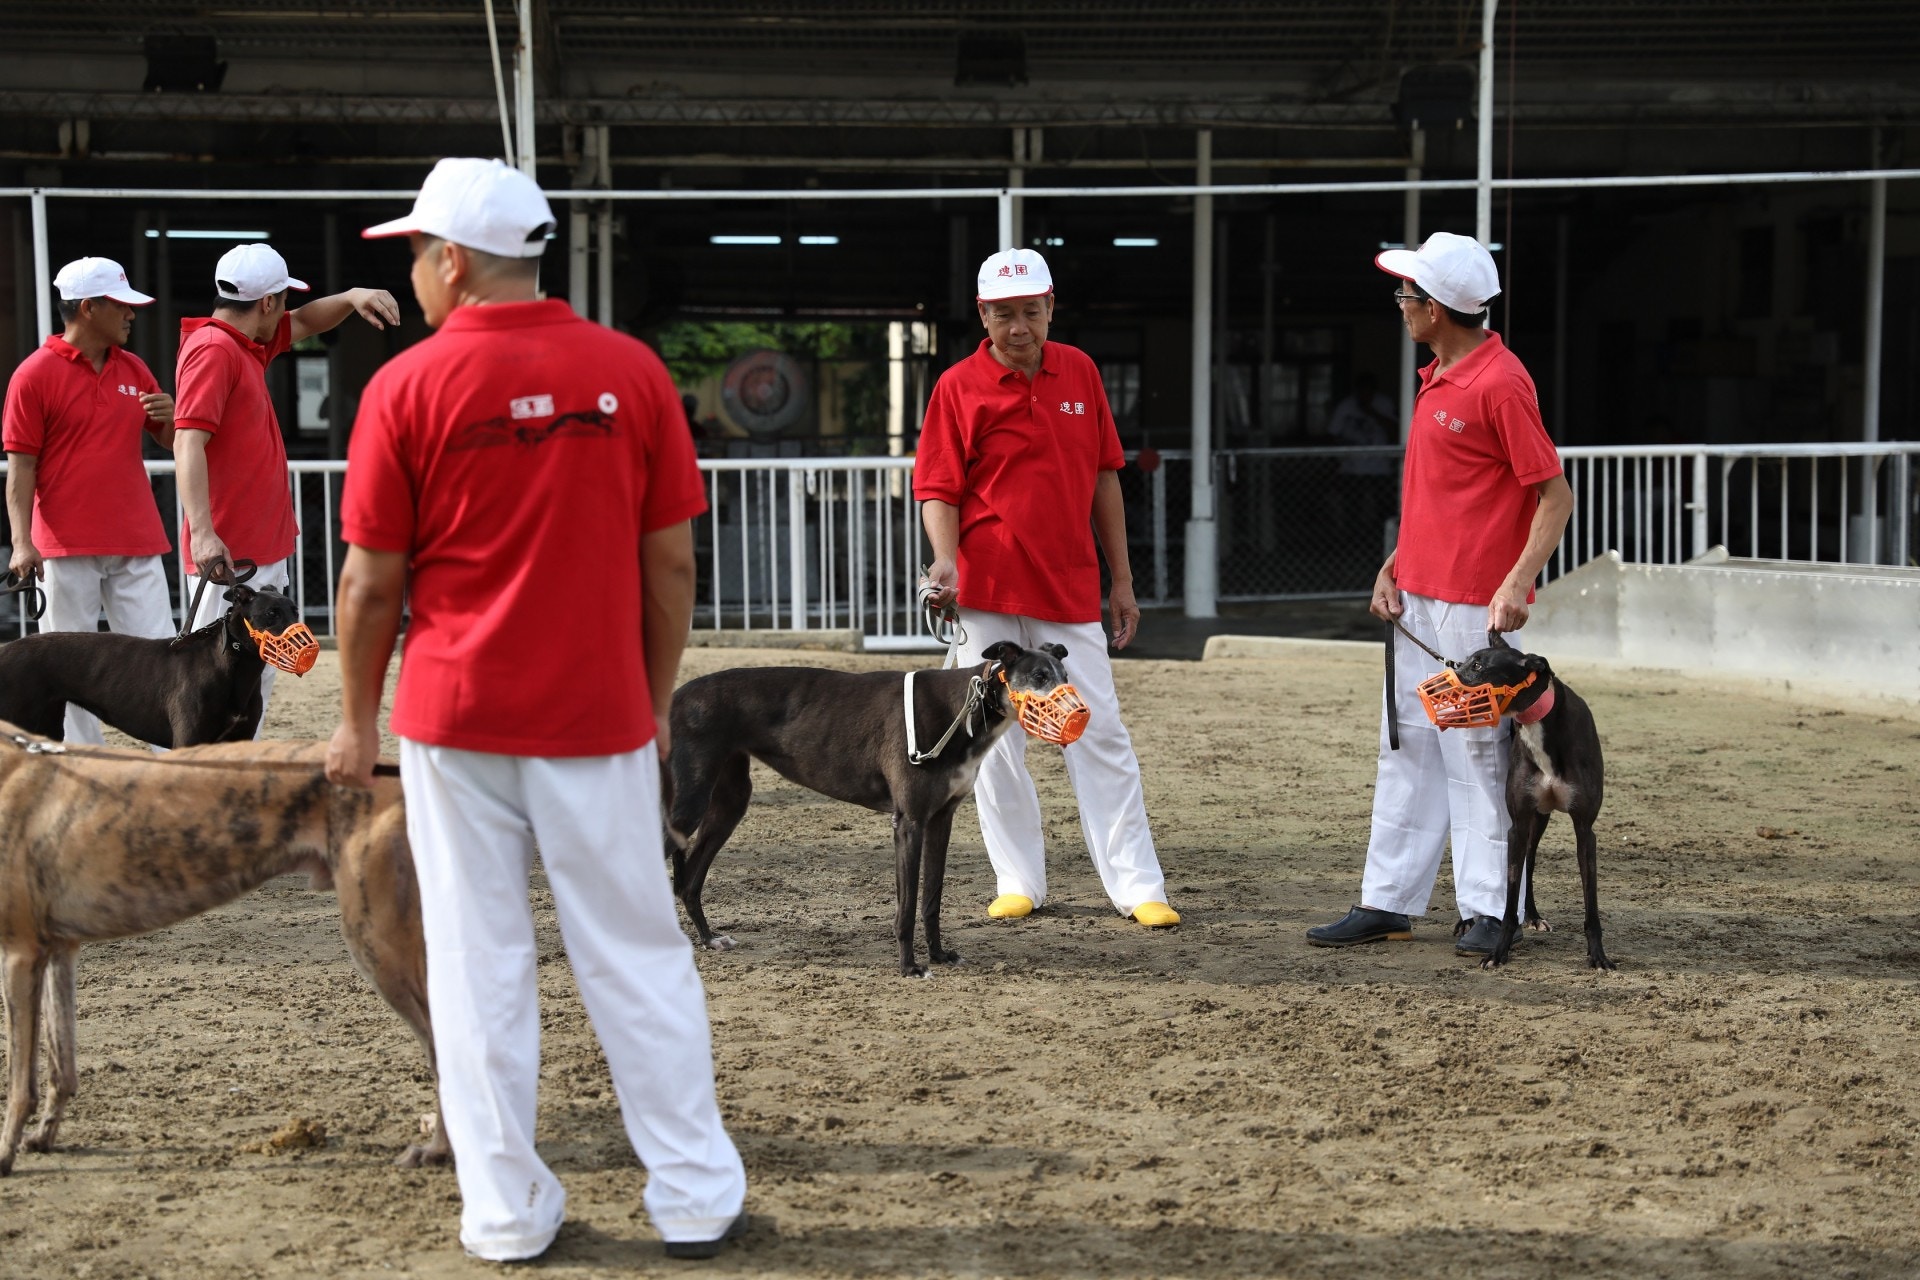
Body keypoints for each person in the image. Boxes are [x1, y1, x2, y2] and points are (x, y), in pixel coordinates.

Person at [325, 157, 746, 1264]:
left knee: (477, 964)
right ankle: (696, 1194)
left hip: (455, 719)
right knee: (637, 951)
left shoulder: (404, 388)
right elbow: (672, 565)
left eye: (417, 252)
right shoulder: (629, 372)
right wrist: (652, 700)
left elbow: (371, 584)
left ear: (453, 262)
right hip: (597, 717)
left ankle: (506, 1210)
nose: (415, 271)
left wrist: (356, 720)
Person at [1308, 232, 1574, 957]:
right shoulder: (1441, 375)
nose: (1399, 306)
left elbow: (1554, 494)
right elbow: (1444, 497)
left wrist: (1518, 580)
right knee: (1410, 748)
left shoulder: (1500, 381)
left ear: (1437, 309)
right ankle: (1388, 900)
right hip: (1420, 596)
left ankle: (1493, 906)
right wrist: (1393, 563)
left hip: (1473, 607)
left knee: (1480, 754)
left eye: (1407, 296)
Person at [913, 247, 1179, 929]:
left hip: (1068, 589)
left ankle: (1136, 885)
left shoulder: (1082, 373)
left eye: (1031, 311)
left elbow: (1104, 477)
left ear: (1051, 306)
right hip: (985, 589)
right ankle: (1018, 879)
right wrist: (945, 562)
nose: (1019, 326)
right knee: (992, 743)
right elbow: (938, 488)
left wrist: (1122, 580)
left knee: (1099, 732)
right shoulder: (957, 386)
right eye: (1004, 315)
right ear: (984, 314)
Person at [172, 242, 398, 727]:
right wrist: (204, 532)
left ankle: (234, 768)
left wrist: (353, 295)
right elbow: (187, 441)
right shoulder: (216, 350)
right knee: (220, 680)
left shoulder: (241, 343)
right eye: (281, 300)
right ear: (267, 303)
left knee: (251, 676)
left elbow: (311, 320)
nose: (286, 312)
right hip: (233, 552)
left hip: (253, 547)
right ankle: (213, 776)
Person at [2, 257, 176, 743]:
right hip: (63, 543)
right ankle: (82, 762)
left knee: (162, 655)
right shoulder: (32, 376)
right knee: (65, 668)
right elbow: (21, 469)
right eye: (120, 304)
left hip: (137, 538)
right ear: (88, 308)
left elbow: (167, 439)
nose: (131, 314)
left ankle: (175, 763)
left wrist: (172, 416)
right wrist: (21, 543)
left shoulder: (135, 368)